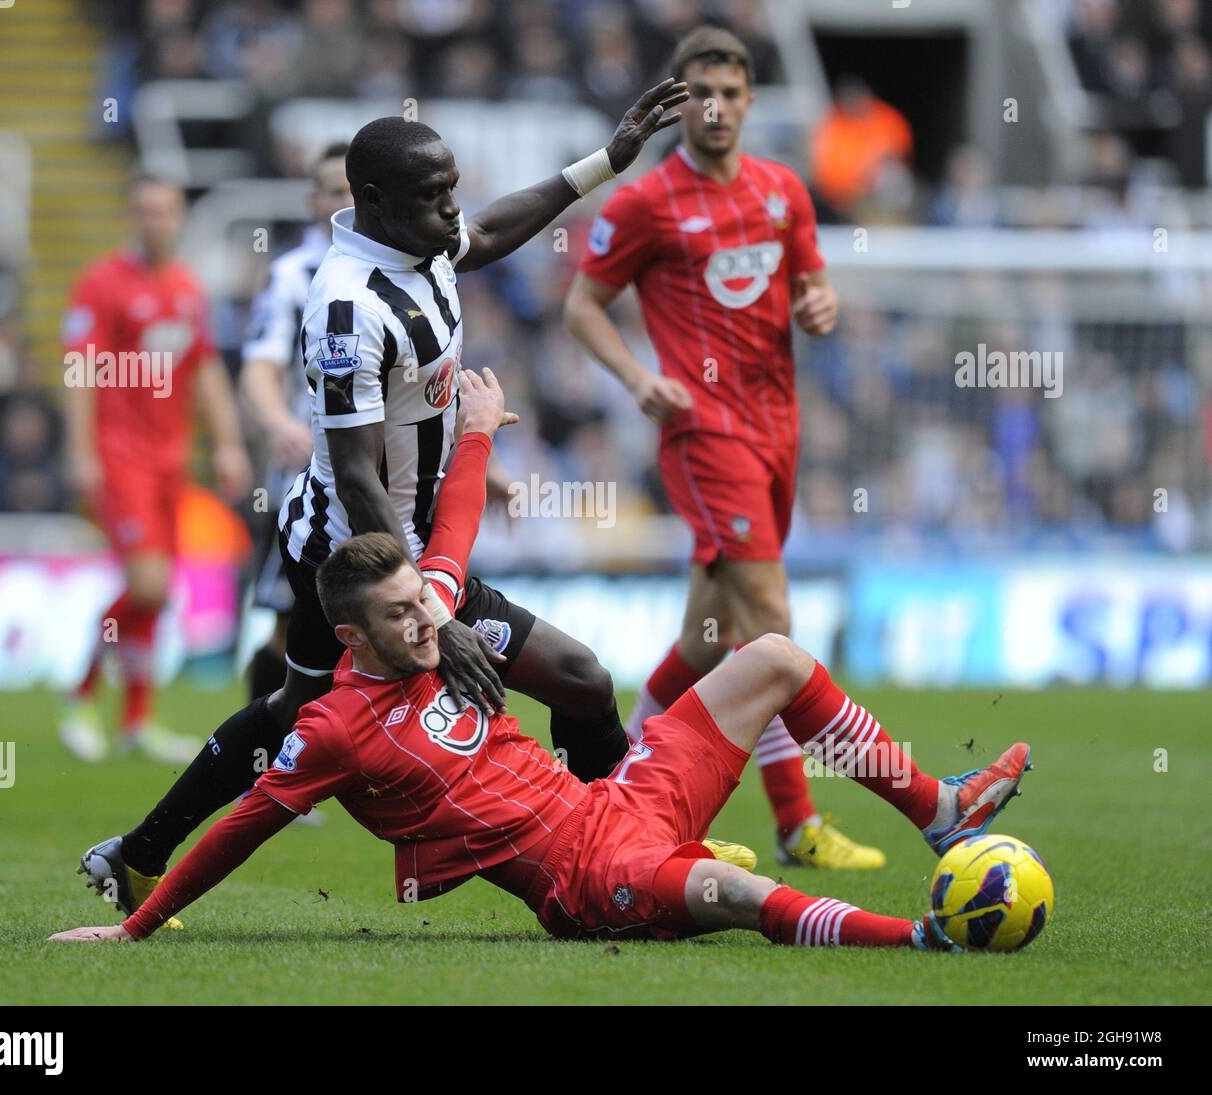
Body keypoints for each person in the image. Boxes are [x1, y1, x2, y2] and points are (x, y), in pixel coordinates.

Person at [76, 79, 764, 919]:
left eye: (451, 191)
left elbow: (499, 228)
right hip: (353, 557)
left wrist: (605, 163)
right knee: (305, 710)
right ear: (373, 202)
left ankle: (627, 848)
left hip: (424, 543)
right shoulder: (345, 306)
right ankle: (142, 854)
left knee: (580, 682)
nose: (452, 210)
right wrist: (431, 614)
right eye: (434, 195)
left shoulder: (421, 239)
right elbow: (357, 473)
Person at [51, 369, 1030, 949]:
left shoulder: (428, 612)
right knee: (727, 894)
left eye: (421, 600)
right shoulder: (333, 728)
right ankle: (922, 938)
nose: (428, 620)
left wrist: (474, 433)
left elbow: (457, 537)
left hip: (622, 799)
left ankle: (939, 814)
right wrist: (133, 930)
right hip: (579, 878)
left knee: (769, 654)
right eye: (400, 615)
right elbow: (243, 829)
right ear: (351, 638)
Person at [563, 26, 881, 868]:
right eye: (701, 92)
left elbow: (813, 289)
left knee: (708, 639)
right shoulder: (644, 202)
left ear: (749, 101)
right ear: (679, 102)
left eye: (732, 93)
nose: (717, 108)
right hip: (706, 437)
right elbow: (582, 307)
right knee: (771, 625)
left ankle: (615, 783)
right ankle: (797, 821)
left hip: (781, 428)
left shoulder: (784, 190)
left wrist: (822, 307)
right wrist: (638, 378)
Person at [60, 174, 251, 764]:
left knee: (160, 591)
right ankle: (83, 693)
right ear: (130, 216)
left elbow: (205, 370)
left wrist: (227, 443)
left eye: (164, 212)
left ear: (177, 218)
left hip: (171, 461)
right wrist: (81, 452)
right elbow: (79, 371)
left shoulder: (187, 290)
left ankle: (137, 719)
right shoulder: (102, 285)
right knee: (147, 584)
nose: (154, 222)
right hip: (120, 460)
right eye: (144, 211)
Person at [240, 141, 352, 701]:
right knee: (289, 627)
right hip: (309, 479)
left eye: (356, 191)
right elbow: (259, 365)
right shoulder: (293, 275)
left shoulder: (406, 264)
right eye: (336, 192)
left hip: (392, 480)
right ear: (314, 201)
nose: (347, 203)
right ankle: (258, 761)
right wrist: (278, 423)